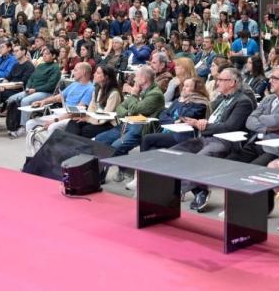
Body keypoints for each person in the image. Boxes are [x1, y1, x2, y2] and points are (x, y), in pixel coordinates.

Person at [170, 67, 257, 212]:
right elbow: (210, 119)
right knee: (173, 154)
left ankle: (174, 190)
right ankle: (200, 190)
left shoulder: (243, 102)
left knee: (198, 159)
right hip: (206, 137)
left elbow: (229, 127)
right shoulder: (220, 99)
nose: (217, 82)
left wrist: (204, 126)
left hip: (225, 141)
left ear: (232, 82)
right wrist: (199, 122)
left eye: (221, 80)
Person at [24, 62, 96, 158]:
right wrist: (43, 102)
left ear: (83, 72)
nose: (73, 72)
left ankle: (49, 157)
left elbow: (77, 111)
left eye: (75, 70)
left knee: (52, 127)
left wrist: (56, 120)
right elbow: (58, 97)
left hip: (71, 117)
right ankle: (34, 157)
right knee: (30, 123)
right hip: (61, 113)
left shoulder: (90, 89)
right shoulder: (74, 84)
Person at [94, 65, 165, 159]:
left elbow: (135, 109)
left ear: (144, 79)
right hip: (127, 124)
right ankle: (114, 165)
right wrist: (128, 113)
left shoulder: (155, 94)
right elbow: (120, 107)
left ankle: (118, 166)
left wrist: (134, 95)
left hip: (141, 128)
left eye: (136, 76)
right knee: (100, 139)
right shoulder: (139, 89)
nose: (134, 79)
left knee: (115, 147)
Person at [4, 46, 61, 137]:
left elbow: (51, 85)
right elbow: (31, 78)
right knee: (11, 98)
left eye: (47, 54)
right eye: (43, 54)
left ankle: (24, 127)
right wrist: (28, 87)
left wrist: (35, 89)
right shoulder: (41, 65)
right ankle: (13, 125)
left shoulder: (55, 68)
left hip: (46, 93)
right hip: (32, 90)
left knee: (25, 101)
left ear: (54, 56)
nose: (44, 56)